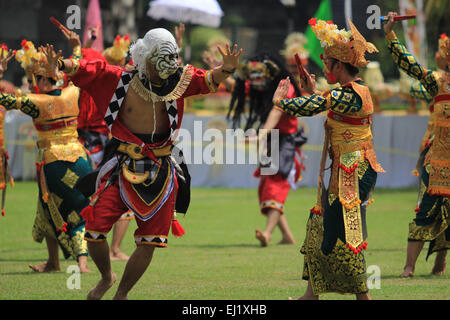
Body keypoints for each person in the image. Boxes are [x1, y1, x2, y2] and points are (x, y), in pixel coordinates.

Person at [43, 27, 242, 299]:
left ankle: (122, 293)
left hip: (161, 171)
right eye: (160, 60)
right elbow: (89, 69)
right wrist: (62, 63)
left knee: (149, 241)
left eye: (170, 59)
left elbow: (209, 78)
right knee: (94, 230)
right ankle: (106, 278)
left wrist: (227, 69)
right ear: (144, 56)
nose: (165, 68)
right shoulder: (121, 79)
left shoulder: (180, 80)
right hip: (123, 166)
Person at [272, 18, 384, 299]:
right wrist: (312, 93)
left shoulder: (354, 92)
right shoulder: (348, 93)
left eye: (328, 63)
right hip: (345, 169)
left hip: (353, 171)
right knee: (319, 227)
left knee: (347, 233)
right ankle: (311, 295)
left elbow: (317, 105)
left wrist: (280, 102)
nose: (323, 69)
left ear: (339, 65)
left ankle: (363, 297)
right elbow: (328, 106)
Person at [0, 39, 92, 273]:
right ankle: (61, 262)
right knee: (67, 209)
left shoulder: (36, 102)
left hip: (54, 164)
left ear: (42, 80)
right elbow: (80, 67)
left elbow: (4, 100)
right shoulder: (74, 92)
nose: (35, 83)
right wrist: (77, 47)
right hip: (81, 161)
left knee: (59, 209)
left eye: (37, 79)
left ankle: (76, 263)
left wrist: (0, 73)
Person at [383, 12, 449, 277]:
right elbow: (410, 66)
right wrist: (390, 35)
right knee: (426, 212)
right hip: (437, 162)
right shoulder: (438, 81)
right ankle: (409, 266)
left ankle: (439, 264)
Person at [228, 53, 307, 247]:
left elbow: (276, 110)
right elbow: (239, 88)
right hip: (273, 142)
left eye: (259, 77)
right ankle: (287, 237)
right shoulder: (265, 85)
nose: (256, 82)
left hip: (284, 143)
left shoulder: (284, 87)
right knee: (265, 188)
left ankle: (268, 233)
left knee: (274, 186)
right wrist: (223, 70)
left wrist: (261, 134)